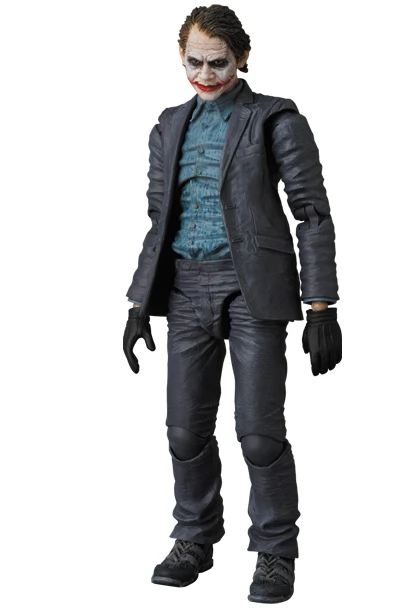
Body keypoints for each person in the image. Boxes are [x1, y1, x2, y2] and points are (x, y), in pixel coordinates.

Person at [123, 4, 342, 604]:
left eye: (218, 62)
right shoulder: (168, 126)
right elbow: (158, 220)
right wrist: (139, 301)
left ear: (242, 58)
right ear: (180, 57)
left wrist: (321, 304)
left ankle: (275, 550)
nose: (205, 74)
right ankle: (195, 536)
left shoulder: (275, 119)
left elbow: (312, 212)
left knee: (259, 433)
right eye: (194, 62)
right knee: (183, 430)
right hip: (185, 288)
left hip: (253, 289)